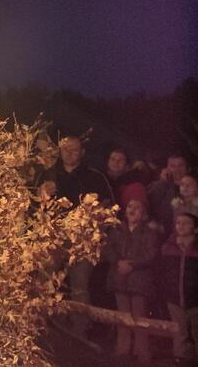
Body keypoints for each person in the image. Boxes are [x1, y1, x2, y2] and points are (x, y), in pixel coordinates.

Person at [36, 136, 112, 338]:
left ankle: (79, 329)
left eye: (75, 150)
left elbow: (108, 207)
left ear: (82, 152)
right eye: (66, 149)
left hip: (81, 241)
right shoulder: (49, 174)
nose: (70, 154)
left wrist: (92, 215)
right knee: (46, 281)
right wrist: (41, 193)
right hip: (53, 237)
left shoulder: (95, 177)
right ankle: (42, 325)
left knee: (79, 285)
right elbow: (32, 205)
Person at [103, 198, 159, 362]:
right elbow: (108, 249)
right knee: (123, 317)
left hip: (139, 280)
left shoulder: (149, 232)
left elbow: (151, 254)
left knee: (139, 317)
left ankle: (142, 352)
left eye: (137, 207)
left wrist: (133, 265)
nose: (132, 210)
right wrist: (118, 262)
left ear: (143, 213)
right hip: (120, 278)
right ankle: (122, 350)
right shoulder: (117, 230)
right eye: (130, 206)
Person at [159, 212, 198, 364]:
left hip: (195, 299)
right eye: (178, 223)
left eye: (186, 223)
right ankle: (181, 360)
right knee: (179, 333)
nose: (181, 226)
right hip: (174, 298)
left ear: (195, 228)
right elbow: (161, 271)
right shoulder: (168, 247)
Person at [150, 154, 192, 236]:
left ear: (187, 168)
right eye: (173, 166)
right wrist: (162, 182)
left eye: (181, 165)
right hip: (164, 233)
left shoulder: (194, 186)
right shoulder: (159, 186)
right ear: (167, 168)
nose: (177, 169)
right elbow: (149, 204)